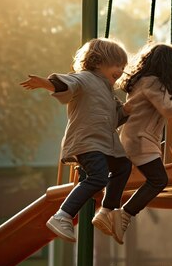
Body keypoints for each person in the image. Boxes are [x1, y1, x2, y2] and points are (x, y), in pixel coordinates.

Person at [20, 38, 132, 243]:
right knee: (98, 178)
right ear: (98, 62)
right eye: (117, 65)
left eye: (123, 67)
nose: (121, 70)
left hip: (104, 144)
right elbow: (65, 84)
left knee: (123, 166)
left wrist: (127, 110)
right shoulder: (84, 78)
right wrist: (45, 84)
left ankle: (107, 210)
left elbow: (114, 119)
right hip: (87, 142)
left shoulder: (108, 92)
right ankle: (62, 215)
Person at [111, 43, 172, 244]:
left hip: (135, 137)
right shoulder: (153, 83)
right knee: (158, 180)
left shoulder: (142, 81)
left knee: (154, 179)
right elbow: (168, 109)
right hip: (140, 140)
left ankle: (115, 212)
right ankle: (123, 214)